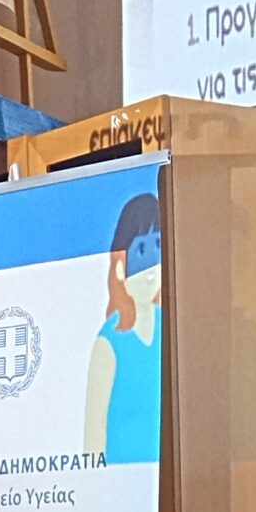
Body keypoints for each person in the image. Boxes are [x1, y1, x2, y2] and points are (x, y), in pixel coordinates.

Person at [82, 192, 165, 464]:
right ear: (120, 266)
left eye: (158, 246)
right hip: (120, 480)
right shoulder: (108, 343)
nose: (151, 268)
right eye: (141, 250)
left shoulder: (170, 330)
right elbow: (94, 435)